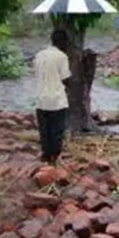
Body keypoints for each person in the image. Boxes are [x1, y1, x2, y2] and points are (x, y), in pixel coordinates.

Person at [34, 29, 72, 164]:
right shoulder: (62, 56)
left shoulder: (39, 55)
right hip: (56, 100)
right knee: (57, 130)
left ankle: (45, 154)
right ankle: (54, 157)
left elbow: (37, 74)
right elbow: (65, 79)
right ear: (62, 42)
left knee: (44, 130)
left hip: (41, 99)